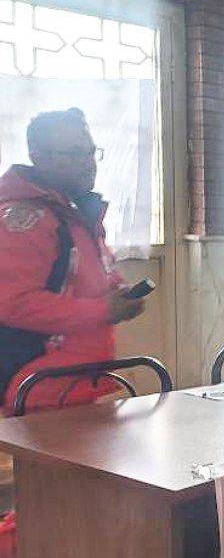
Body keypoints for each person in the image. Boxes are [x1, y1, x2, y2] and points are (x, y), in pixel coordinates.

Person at [0, 109, 144, 415]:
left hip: (74, 383)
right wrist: (104, 310)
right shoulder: (24, 219)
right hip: (34, 391)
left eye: (91, 152)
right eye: (75, 154)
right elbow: (13, 303)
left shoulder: (74, 212)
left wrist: (121, 292)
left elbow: (93, 276)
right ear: (38, 157)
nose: (88, 162)